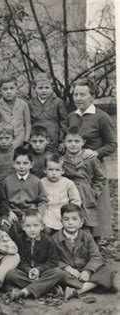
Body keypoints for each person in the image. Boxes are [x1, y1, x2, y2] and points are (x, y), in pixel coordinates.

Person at [67, 78, 116, 239]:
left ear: (92, 97)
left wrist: (96, 152)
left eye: (83, 94)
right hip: (74, 171)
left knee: (95, 209)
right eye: (76, 94)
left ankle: (95, 248)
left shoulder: (101, 117)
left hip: (94, 171)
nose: (78, 98)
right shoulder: (71, 116)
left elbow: (112, 144)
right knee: (75, 210)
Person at [52, 204, 117, 300]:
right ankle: (90, 285)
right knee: (56, 273)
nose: (70, 223)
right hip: (67, 273)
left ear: (81, 222)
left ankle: (77, 290)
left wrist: (88, 271)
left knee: (107, 269)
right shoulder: (54, 239)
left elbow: (96, 256)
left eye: (74, 219)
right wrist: (68, 268)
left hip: (84, 270)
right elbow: (52, 259)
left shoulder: (87, 236)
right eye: (66, 219)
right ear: (61, 221)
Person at [5, 209, 65, 301]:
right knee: (10, 274)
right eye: (28, 226)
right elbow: (20, 260)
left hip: (43, 273)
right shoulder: (19, 239)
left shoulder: (48, 241)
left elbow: (53, 261)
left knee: (58, 272)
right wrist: (28, 270)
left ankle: (25, 292)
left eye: (36, 225)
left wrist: (38, 270)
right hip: (26, 274)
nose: (32, 229)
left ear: (42, 226)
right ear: (23, 227)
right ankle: (48, 289)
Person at [61, 127, 106, 238]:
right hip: (69, 193)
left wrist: (94, 192)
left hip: (86, 193)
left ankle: (90, 247)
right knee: (71, 219)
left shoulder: (90, 158)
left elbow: (100, 178)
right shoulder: (62, 159)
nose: (73, 144)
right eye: (69, 141)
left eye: (77, 141)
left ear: (83, 142)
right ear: (64, 142)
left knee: (87, 222)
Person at [2, 147, 48, 237]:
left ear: (31, 164)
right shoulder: (7, 181)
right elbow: (3, 201)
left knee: (41, 228)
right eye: (18, 163)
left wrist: (37, 214)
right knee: (6, 228)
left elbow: (43, 201)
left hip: (31, 214)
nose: (21, 166)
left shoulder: (36, 181)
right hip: (14, 214)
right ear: (13, 164)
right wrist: (9, 212)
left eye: (25, 163)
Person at [41, 154, 81, 234]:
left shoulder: (68, 183)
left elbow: (75, 199)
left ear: (62, 171)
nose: (54, 173)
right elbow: (38, 199)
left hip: (63, 212)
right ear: (45, 170)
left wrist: (71, 211)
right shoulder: (41, 182)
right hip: (47, 212)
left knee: (63, 230)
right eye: (50, 170)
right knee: (46, 229)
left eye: (57, 170)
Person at [28, 73, 67, 153]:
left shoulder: (58, 102)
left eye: (47, 87)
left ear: (52, 88)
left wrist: (62, 140)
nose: (44, 90)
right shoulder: (30, 104)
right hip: (36, 140)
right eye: (40, 88)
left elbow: (64, 122)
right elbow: (28, 122)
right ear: (34, 88)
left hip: (53, 138)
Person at [0, 75, 31, 149]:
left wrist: (26, 140)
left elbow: (28, 124)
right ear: (0, 91)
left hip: (21, 140)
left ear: (16, 89)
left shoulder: (23, 104)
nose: (9, 91)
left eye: (11, 88)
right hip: (5, 141)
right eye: (5, 89)